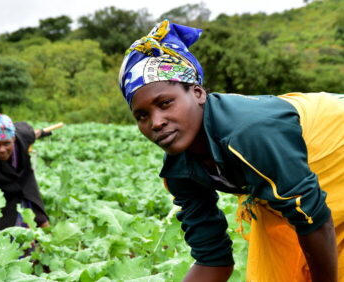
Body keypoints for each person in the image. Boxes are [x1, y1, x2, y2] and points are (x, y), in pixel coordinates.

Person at [119, 20, 344, 282]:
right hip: (303, 191)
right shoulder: (180, 170)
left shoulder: (249, 133)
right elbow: (213, 261)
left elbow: (314, 220)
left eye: (166, 103)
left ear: (198, 92)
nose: (156, 122)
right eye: (142, 116)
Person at [0, 113, 50, 230]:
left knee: (40, 218)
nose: (2, 150)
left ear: (13, 138)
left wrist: (42, 132)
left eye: (6, 143)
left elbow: (32, 132)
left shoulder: (24, 135)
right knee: (9, 229)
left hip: (24, 180)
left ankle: (47, 244)